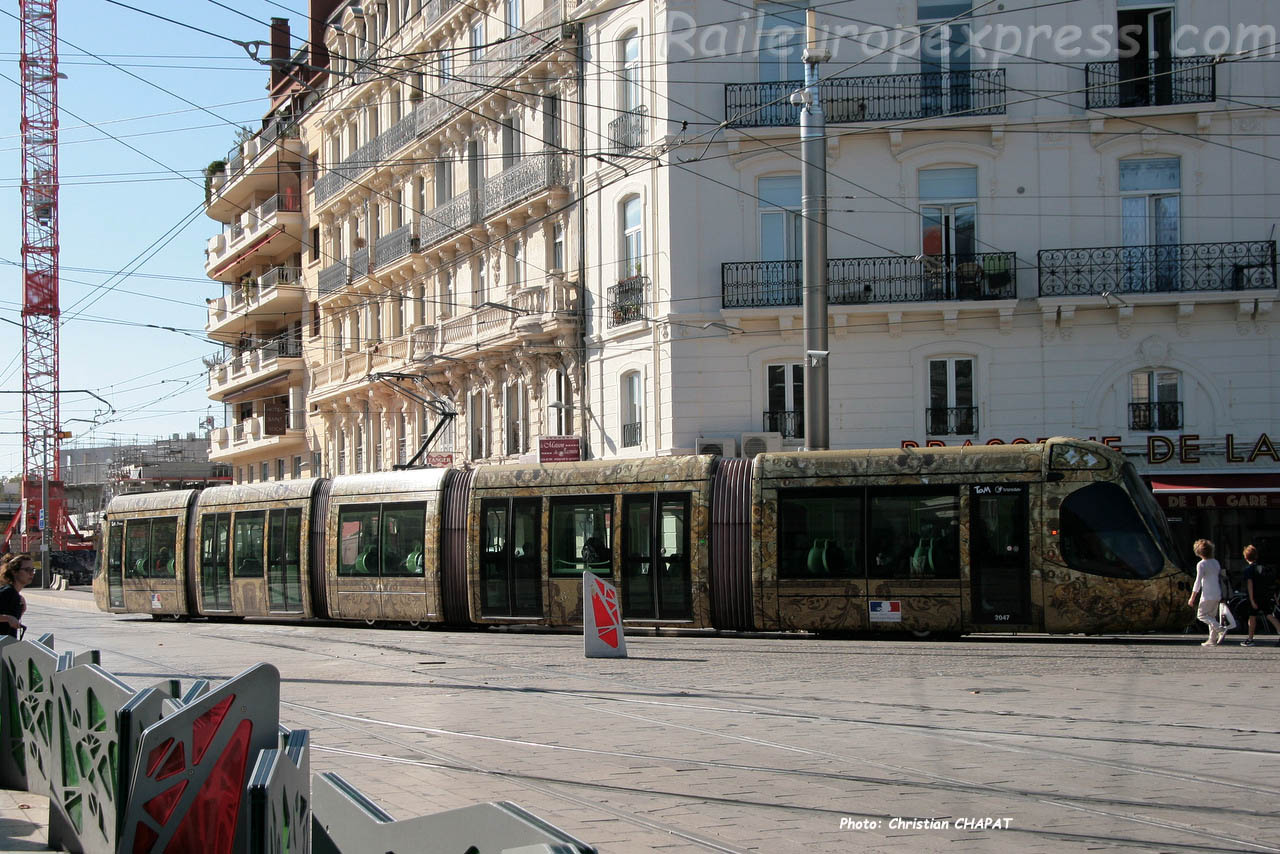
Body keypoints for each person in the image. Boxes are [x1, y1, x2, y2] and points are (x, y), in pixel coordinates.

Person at [1239, 544, 1280, 647]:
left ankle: (1250, 638)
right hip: (1265, 595)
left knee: (1252, 617)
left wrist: (1252, 599)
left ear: (1245, 557)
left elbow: (1250, 584)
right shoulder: (1263, 568)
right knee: (1269, 615)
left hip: (1254, 596)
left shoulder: (1249, 570)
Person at [1187, 539, 1224, 647]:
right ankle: (1212, 639)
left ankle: (1220, 628)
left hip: (1207, 594)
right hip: (1217, 593)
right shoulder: (1216, 562)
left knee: (1201, 615)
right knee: (1211, 616)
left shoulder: (1201, 564)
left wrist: (1192, 597)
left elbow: (1198, 581)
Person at [0, 552, 35, 639]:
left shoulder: (16, 595)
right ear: (14, 572)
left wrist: (21, 611)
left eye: (32, 570)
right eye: (27, 570)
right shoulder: (7, 592)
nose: (31, 573)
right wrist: (8, 618)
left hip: (8, 646)